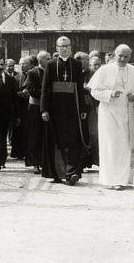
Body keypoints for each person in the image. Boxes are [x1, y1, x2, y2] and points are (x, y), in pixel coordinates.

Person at [88, 44, 134, 190]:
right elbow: (94, 91)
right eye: (120, 55)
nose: (123, 59)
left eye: (126, 56)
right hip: (108, 112)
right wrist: (109, 94)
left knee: (124, 145)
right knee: (109, 145)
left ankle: (122, 179)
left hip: (127, 112)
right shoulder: (104, 69)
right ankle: (109, 179)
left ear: (130, 57)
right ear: (114, 55)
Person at [41, 36, 88, 185]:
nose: (64, 48)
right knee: (56, 140)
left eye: (67, 46)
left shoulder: (76, 64)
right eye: (61, 46)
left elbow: (80, 88)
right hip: (55, 109)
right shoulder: (50, 64)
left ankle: (72, 172)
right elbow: (45, 89)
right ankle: (57, 173)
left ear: (71, 47)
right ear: (57, 48)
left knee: (72, 140)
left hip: (72, 109)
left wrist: (83, 108)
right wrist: (44, 109)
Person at [25, 51, 50, 173]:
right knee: (35, 135)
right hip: (35, 107)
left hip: (49, 108)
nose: (50, 60)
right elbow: (31, 89)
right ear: (41, 60)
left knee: (46, 135)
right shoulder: (32, 72)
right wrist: (46, 94)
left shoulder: (51, 71)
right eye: (47, 58)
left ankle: (45, 161)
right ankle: (35, 163)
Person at [85, 56, 102, 166]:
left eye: (98, 65)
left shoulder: (102, 74)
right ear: (90, 65)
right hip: (90, 107)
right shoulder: (86, 75)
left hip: (101, 106)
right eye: (94, 64)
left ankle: (98, 160)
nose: (96, 67)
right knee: (92, 134)